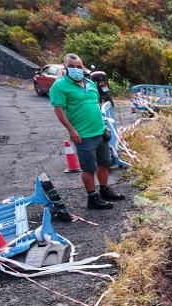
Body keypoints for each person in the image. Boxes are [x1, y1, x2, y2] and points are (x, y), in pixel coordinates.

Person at [49, 53, 125, 209]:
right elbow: (59, 110)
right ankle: (92, 198)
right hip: (83, 135)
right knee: (89, 168)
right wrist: (71, 130)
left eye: (78, 67)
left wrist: (103, 126)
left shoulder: (90, 84)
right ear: (65, 67)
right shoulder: (60, 86)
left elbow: (96, 105)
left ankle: (104, 190)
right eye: (71, 66)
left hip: (100, 131)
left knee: (105, 164)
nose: (75, 69)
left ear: (83, 67)